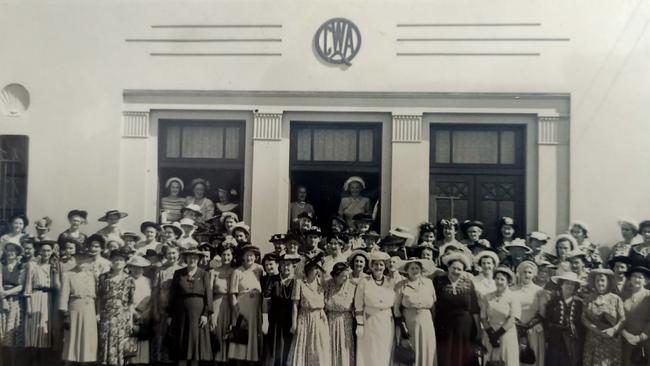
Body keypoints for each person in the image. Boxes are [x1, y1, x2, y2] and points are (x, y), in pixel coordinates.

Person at [167, 248, 213, 365]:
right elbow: (172, 294)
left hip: (198, 316)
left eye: (195, 257)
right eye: (189, 257)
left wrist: (205, 314)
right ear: (185, 259)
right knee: (181, 345)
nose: (192, 259)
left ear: (198, 259)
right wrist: (170, 315)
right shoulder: (178, 273)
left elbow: (208, 296)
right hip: (180, 315)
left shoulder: (204, 274)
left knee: (195, 346)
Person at [434, 251, 480, 366]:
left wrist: (478, 329)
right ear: (448, 267)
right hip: (444, 325)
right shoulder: (439, 281)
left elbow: (474, 309)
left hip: (465, 327)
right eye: (454, 268)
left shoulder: (468, 283)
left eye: (460, 269)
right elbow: (433, 305)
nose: (456, 271)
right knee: (446, 356)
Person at [287, 254, 331, 366]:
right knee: (303, 346)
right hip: (304, 318)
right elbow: (295, 305)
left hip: (319, 318)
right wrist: (294, 324)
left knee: (318, 348)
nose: (317, 271)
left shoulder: (322, 283)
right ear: (308, 268)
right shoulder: (299, 282)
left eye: (319, 268)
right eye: (315, 268)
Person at [394, 258, 437, 366]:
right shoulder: (401, 284)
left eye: (417, 268)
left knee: (426, 348)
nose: (415, 270)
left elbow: (433, 304)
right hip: (409, 322)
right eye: (412, 268)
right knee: (410, 350)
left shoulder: (429, 283)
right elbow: (396, 308)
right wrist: (403, 327)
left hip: (426, 321)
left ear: (421, 270)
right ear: (407, 270)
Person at [354, 251, 395, 366]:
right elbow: (358, 304)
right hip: (370, 321)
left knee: (384, 351)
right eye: (376, 264)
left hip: (386, 322)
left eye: (381, 264)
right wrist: (360, 324)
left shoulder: (390, 281)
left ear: (385, 266)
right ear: (371, 266)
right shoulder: (364, 281)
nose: (378, 267)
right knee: (370, 351)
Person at [23, 239, 60, 363]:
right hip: (35, 297)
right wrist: (28, 306)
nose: (46, 253)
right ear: (39, 251)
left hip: (48, 299)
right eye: (43, 250)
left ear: (51, 252)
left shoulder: (54, 266)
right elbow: (28, 286)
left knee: (44, 331)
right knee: (33, 334)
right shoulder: (32, 265)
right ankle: (32, 362)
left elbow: (56, 286)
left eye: (48, 250)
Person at [97, 248, 136, 366]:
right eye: (115, 260)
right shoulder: (103, 277)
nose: (118, 262)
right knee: (105, 344)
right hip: (106, 317)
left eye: (120, 260)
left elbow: (131, 302)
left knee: (121, 345)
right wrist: (98, 313)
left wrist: (131, 321)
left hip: (122, 318)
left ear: (125, 263)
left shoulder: (129, 279)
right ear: (111, 262)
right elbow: (99, 297)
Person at [59, 248, 98, 364]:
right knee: (71, 339)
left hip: (90, 309)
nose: (82, 261)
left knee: (87, 339)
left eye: (85, 258)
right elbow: (64, 295)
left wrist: (98, 312)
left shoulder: (92, 275)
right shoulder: (68, 274)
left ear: (89, 260)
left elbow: (97, 295)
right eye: (79, 258)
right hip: (75, 308)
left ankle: (84, 363)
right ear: (75, 259)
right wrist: (65, 314)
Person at [582, 268, 625, 366]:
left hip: (611, 342)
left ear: (608, 282)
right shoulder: (588, 298)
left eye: (602, 280)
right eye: (597, 280)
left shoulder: (616, 299)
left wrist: (613, 330)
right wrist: (594, 328)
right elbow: (583, 318)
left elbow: (623, 319)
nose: (600, 283)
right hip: (593, 341)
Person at [263, 253, 300, 366]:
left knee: (288, 351)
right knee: (274, 351)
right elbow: (266, 301)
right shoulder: (273, 280)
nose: (286, 267)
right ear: (280, 266)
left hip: (291, 320)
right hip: (275, 321)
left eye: (288, 264)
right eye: (283, 264)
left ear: (293, 266)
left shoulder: (297, 282)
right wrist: (265, 321)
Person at [229, 244, 263, 363]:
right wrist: (237, 312)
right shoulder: (237, 272)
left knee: (254, 338)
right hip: (242, 309)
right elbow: (233, 293)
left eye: (252, 256)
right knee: (241, 339)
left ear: (255, 257)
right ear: (243, 257)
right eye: (247, 255)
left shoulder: (259, 269)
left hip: (256, 309)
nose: (249, 258)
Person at [480, 266, 520, 366]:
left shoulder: (513, 297)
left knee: (507, 360)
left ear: (508, 282)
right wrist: (491, 334)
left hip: (506, 334)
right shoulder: (487, 296)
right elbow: (483, 317)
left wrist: (497, 335)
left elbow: (513, 318)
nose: (499, 282)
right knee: (490, 361)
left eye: (502, 279)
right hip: (490, 334)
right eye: (497, 278)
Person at [544, 271, 586, 366]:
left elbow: (581, 325)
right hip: (555, 342)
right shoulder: (553, 302)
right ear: (561, 284)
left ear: (576, 287)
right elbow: (547, 322)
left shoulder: (579, 304)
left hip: (572, 343)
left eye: (572, 284)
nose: (570, 286)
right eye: (567, 283)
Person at [511, 261, 546, 366]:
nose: (527, 275)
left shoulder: (539, 291)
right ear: (520, 274)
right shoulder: (512, 290)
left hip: (533, 329)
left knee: (532, 358)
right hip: (515, 329)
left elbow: (542, 312)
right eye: (524, 272)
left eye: (529, 272)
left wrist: (530, 325)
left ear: (533, 274)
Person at [152, 245, 182, 364]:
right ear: (165, 255)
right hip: (162, 306)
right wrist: (154, 309)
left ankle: (174, 359)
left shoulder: (182, 269)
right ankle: (160, 359)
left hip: (177, 307)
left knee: (175, 334)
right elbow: (155, 291)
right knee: (160, 333)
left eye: (174, 253)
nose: (172, 256)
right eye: (169, 253)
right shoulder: (160, 270)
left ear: (178, 254)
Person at [325, 262, 356, 366]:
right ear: (335, 275)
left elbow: (351, 306)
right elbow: (323, 303)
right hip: (331, 321)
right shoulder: (328, 285)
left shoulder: (352, 286)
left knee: (344, 346)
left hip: (345, 320)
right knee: (331, 346)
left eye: (347, 275)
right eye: (343, 276)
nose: (346, 278)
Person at [0, 242, 26, 366]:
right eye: (8, 250)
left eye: (13, 250)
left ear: (17, 253)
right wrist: (3, 299)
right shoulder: (1, 265)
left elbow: (21, 286)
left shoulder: (21, 266)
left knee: (12, 334)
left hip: (15, 301)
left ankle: (13, 363)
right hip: (1, 301)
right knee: (1, 333)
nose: (10, 253)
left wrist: (6, 293)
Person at [620, 265, 650, 366]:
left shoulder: (648, 296)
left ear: (645, 281)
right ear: (630, 279)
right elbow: (617, 317)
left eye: (640, 277)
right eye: (634, 276)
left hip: (645, 342)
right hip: (626, 341)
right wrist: (625, 334)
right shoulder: (623, 295)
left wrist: (640, 337)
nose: (636, 279)